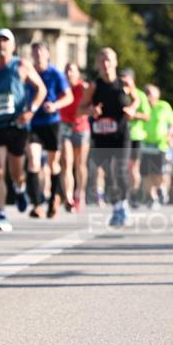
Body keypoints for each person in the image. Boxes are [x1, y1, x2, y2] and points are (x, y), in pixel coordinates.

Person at [0, 28, 46, 232]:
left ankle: (20, 188)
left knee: (16, 171)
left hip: (17, 125)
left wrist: (31, 110)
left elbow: (41, 89)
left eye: (6, 41)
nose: (2, 45)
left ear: (12, 46)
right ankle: (2, 214)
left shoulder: (21, 65)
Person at [79, 48, 138, 228]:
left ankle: (123, 205)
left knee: (120, 169)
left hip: (121, 135)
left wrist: (132, 109)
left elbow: (137, 99)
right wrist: (90, 111)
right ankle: (117, 206)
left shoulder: (125, 83)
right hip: (102, 136)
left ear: (115, 62)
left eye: (108, 60)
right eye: (102, 60)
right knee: (109, 175)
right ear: (97, 64)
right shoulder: (94, 86)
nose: (105, 64)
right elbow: (80, 109)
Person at [26, 42, 73, 218]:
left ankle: (54, 199)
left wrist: (55, 105)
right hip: (33, 122)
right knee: (33, 160)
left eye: (41, 51)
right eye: (35, 51)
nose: (38, 54)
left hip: (52, 122)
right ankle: (37, 203)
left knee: (53, 164)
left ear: (47, 54)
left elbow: (68, 97)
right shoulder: (28, 73)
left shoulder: (55, 73)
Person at [60, 62, 90, 211]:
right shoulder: (61, 87)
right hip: (65, 126)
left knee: (80, 164)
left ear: (78, 73)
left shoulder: (83, 88)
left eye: (72, 70)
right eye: (66, 70)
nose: (69, 73)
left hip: (81, 127)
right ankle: (69, 198)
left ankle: (80, 192)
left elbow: (92, 103)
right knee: (66, 162)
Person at [140, 84, 173, 208]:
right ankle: (152, 197)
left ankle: (160, 188)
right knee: (145, 172)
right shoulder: (142, 107)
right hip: (145, 143)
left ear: (157, 95)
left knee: (158, 172)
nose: (147, 95)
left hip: (160, 144)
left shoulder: (164, 106)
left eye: (149, 93)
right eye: (145, 93)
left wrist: (171, 134)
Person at [122, 69, 151, 207]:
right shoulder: (118, 94)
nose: (124, 85)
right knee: (120, 167)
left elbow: (147, 116)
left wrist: (133, 115)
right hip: (120, 135)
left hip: (135, 136)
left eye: (127, 82)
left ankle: (133, 195)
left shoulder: (140, 95)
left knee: (133, 168)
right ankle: (123, 194)